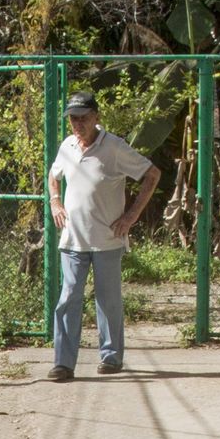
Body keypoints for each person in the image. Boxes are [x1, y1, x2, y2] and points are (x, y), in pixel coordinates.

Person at [46, 90, 161, 380]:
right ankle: (63, 363)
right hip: (73, 240)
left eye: (84, 118)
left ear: (96, 117)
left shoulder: (114, 147)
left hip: (107, 239)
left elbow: (152, 174)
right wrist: (55, 201)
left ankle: (110, 357)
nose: (78, 124)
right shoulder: (68, 146)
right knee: (68, 298)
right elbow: (53, 175)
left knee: (108, 299)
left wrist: (131, 217)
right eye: (73, 119)